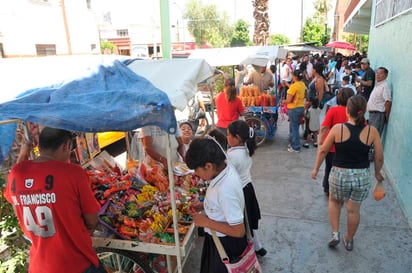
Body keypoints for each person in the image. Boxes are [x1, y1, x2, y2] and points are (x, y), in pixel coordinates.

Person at [4, 127, 106, 273]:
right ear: (66, 146)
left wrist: (25, 149)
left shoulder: (16, 173)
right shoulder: (74, 173)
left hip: (40, 266)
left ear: (39, 145)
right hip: (77, 263)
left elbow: (15, 186)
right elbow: (92, 220)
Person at [311, 95, 384, 251]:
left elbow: (323, 150)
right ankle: (349, 240)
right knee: (353, 210)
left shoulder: (338, 129)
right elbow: (378, 157)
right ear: (363, 112)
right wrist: (378, 173)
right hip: (361, 177)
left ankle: (336, 234)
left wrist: (316, 168)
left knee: (334, 201)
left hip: (340, 175)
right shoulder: (373, 131)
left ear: (347, 111)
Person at [186, 138, 247, 273]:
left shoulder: (225, 189)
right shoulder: (225, 168)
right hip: (217, 240)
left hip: (226, 245)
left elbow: (238, 231)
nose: (196, 174)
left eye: (196, 170)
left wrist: (206, 222)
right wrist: (203, 206)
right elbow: (221, 204)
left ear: (208, 166)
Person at [226, 120, 266, 257]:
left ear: (237, 138)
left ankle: (246, 250)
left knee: (242, 223)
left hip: (239, 192)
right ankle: (257, 246)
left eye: (228, 135)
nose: (227, 137)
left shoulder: (232, 156)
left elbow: (225, 174)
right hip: (248, 188)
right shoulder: (246, 150)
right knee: (248, 221)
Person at [318, 88, 355, 195]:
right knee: (345, 168)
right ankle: (344, 188)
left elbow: (324, 127)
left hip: (332, 146)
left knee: (329, 168)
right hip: (348, 147)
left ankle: (328, 188)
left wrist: (321, 142)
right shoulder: (353, 113)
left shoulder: (333, 110)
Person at [282, 69, 306, 153]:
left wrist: (283, 101)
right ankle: (293, 143)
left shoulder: (294, 86)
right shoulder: (302, 84)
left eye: (292, 75)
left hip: (294, 109)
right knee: (294, 127)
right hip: (301, 108)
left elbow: (288, 100)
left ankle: (296, 147)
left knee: (294, 128)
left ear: (295, 77)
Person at [367, 67, 392, 135]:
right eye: (377, 73)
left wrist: (386, 117)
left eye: (380, 73)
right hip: (372, 115)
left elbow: (388, 102)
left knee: (373, 138)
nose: (377, 75)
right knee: (370, 137)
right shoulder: (378, 85)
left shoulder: (385, 86)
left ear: (386, 75)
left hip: (378, 115)